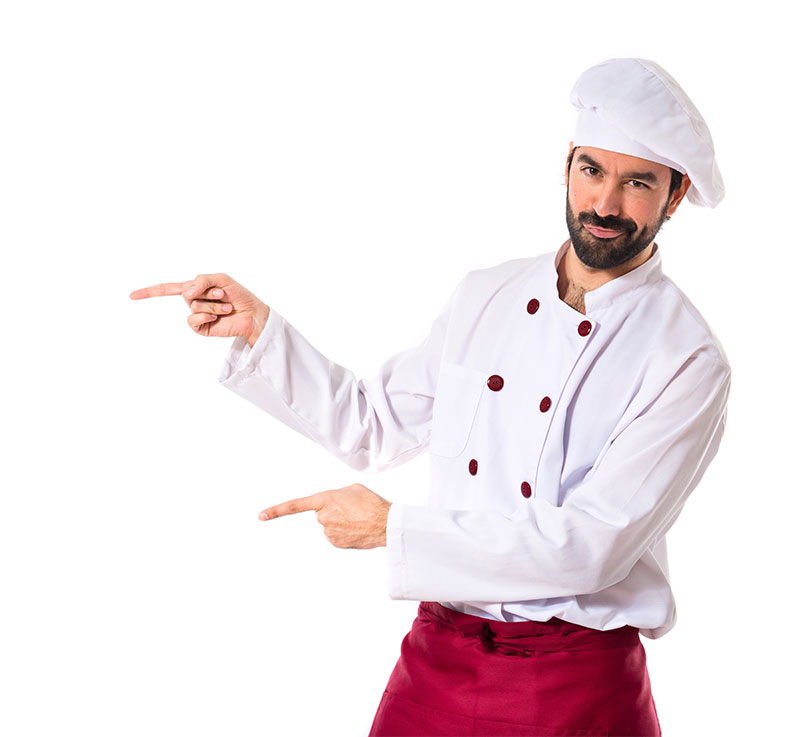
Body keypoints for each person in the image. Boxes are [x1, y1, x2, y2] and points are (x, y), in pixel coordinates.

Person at [131, 58, 730, 736]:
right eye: (592, 170)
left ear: (675, 196)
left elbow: (592, 547)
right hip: (438, 656)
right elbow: (374, 426)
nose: (605, 204)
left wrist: (394, 528)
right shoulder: (487, 293)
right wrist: (263, 331)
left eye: (638, 183)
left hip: (574, 682)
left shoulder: (686, 358)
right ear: (567, 163)